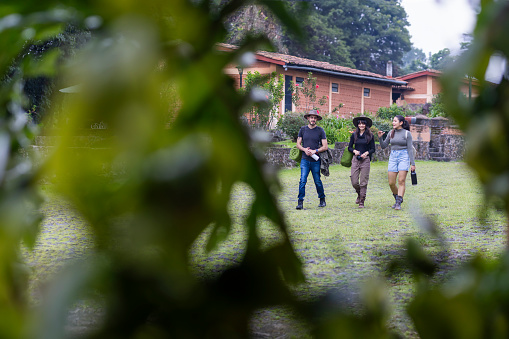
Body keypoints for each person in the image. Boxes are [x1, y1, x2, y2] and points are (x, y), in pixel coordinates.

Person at [377, 115, 416, 210]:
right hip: (393, 156)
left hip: (404, 156)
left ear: (401, 123)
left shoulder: (407, 133)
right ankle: (398, 198)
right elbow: (383, 146)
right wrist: (380, 138)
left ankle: (398, 202)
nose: (393, 123)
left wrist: (412, 163)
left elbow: (410, 149)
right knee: (391, 183)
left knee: (401, 181)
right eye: (393, 121)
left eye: (395, 121)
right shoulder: (391, 132)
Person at [296, 109, 328, 210]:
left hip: (315, 160)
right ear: (308, 118)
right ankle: (300, 202)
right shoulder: (303, 129)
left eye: (315, 118)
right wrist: (304, 149)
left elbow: (325, 146)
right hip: (305, 159)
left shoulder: (320, 130)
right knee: (302, 181)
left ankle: (322, 199)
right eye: (311, 117)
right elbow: (298, 144)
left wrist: (315, 151)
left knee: (317, 181)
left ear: (316, 119)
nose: (313, 119)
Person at [348, 116, 376, 208]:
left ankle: (362, 201)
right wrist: (354, 151)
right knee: (354, 180)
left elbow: (373, 149)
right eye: (359, 123)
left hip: (365, 160)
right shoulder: (354, 135)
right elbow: (350, 147)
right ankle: (359, 194)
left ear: (366, 125)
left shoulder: (370, 136)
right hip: (355, 159)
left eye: (363, 123)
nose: (361, 125)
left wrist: (366, 153)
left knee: (363, 181)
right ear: (357, 125)